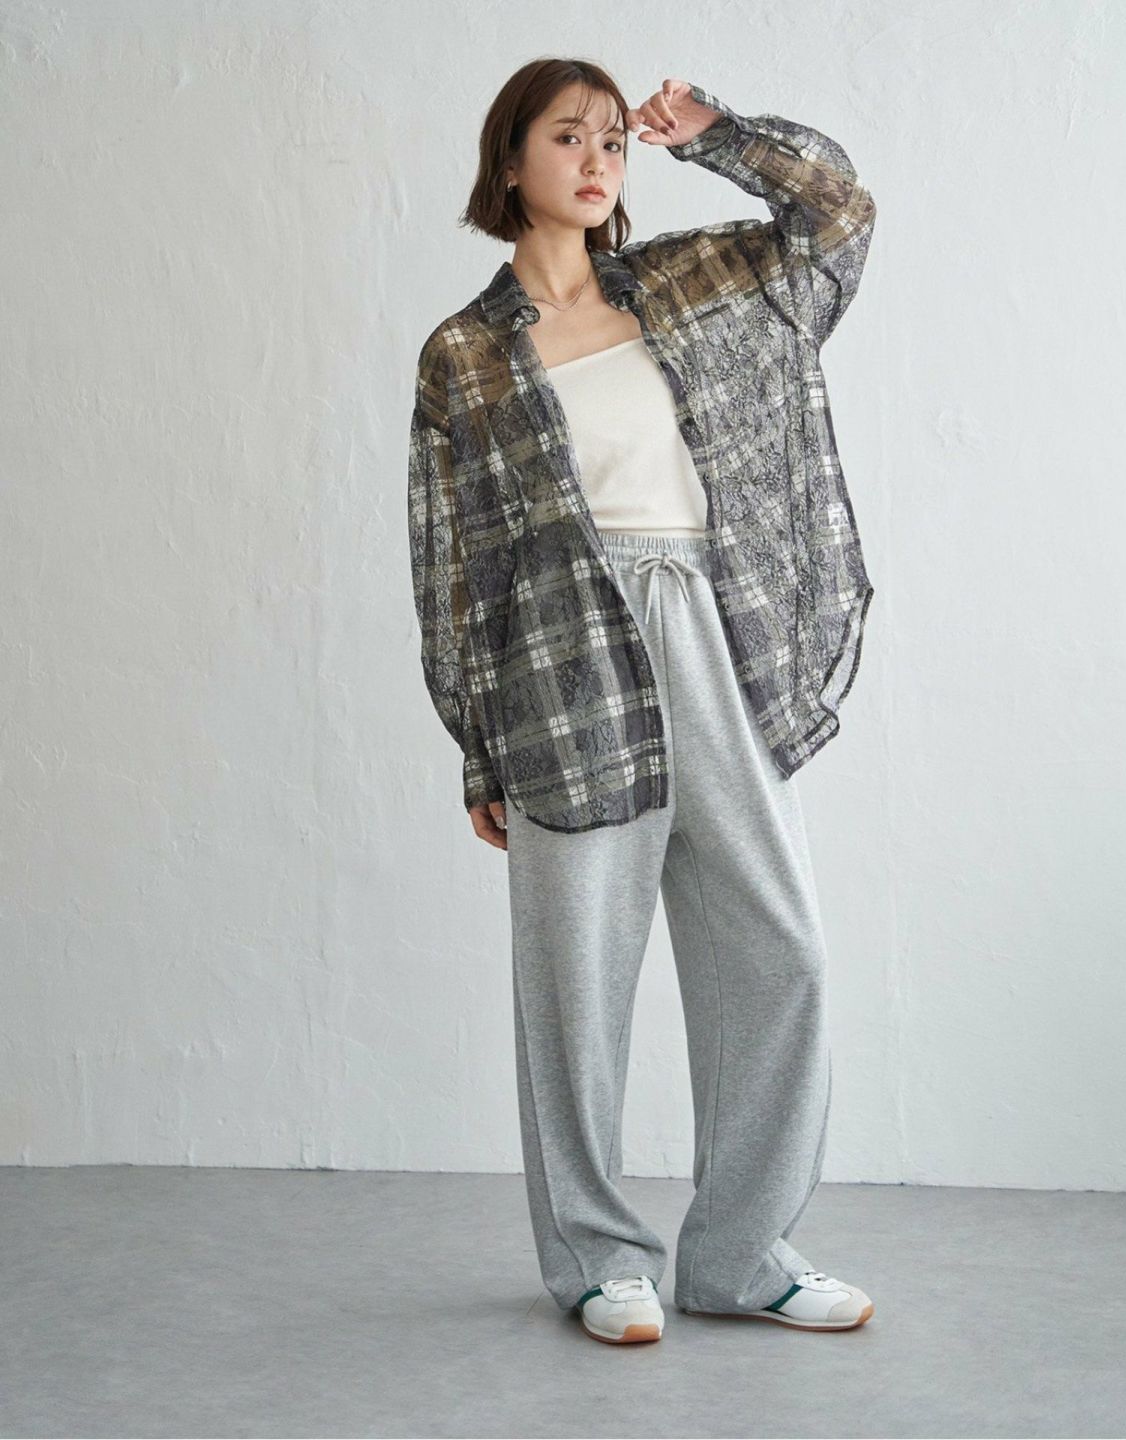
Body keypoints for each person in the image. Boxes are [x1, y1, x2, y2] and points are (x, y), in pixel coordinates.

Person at [407, 59, 877, 1345]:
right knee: (576, 978)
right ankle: (596, 1258)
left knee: (779, 946)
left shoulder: (684, 279)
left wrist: (716, 133)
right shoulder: (464, 354)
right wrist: (478, 749)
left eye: (613, 139)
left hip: (703, 627)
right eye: (570, 137)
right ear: (512, 162)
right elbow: (453, 562)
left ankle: (740, 1253)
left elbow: (836, 216)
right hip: (560, 663)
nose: (599, 158)